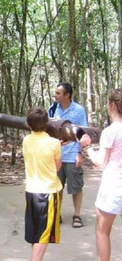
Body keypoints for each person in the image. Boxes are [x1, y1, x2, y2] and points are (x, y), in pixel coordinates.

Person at [84, 88, 122, 261]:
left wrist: (87, 147)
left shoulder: (111, 131)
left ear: (112, 105)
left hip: (114, 186)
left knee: (102, 231)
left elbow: (100, 163)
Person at [23, 107, 63, 261]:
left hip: (31, 191)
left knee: (36, 233)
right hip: (48, 193)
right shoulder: (54, 143)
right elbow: (57, 167)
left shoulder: (26, 140)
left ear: (29, 125)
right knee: (44, 235)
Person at [52, 82, 88, 228]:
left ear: (67, 95)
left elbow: (83, 133)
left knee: (76, 187)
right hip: (57, 154)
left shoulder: (79, 110)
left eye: (58, 93)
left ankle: (77, 215)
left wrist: (79, 153)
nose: (55, 95)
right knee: (56, 187)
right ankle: (56, 214)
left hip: (72, 154)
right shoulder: (53, 108)